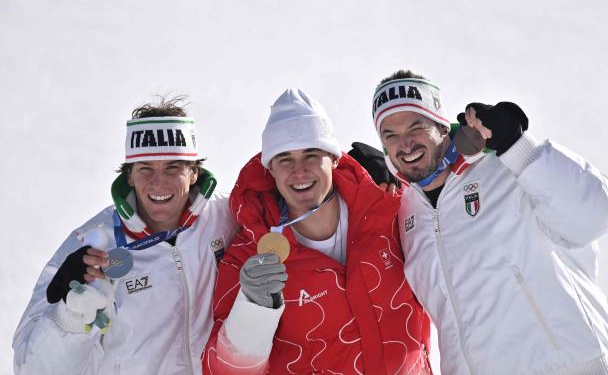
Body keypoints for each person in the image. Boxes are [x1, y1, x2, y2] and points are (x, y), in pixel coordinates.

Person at [357, 70, 608, 375]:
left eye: (416, 126)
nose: (405, 144)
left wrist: (519, 147)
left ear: (442, 125)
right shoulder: (405, 211)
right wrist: (359, 188)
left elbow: (595, 215)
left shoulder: (507, 168)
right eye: (390, 135)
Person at [202, 89, 432, 374]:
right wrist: (254, 309)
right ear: (270, 168)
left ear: (335, 158)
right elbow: (223, 370)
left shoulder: (392, 211)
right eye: (284, 158)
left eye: (312, 155)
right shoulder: (248, 256)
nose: (299, 171)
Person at [13, 97, 238, 375]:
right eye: (145, 169)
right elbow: (30, 369)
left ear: (193, 172)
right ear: (130, 175)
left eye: (173, 167)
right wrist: (70, 319)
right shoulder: (93, 243)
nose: (159, 183)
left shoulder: (229, 217)